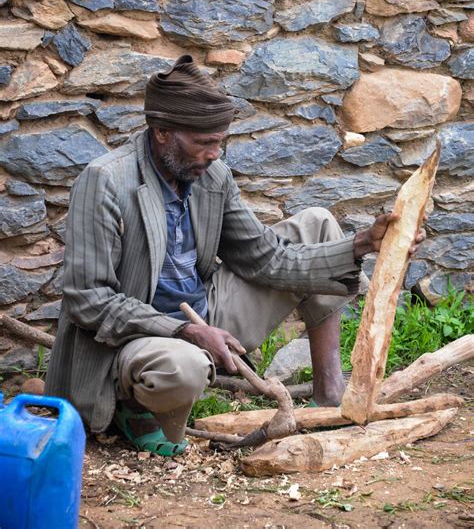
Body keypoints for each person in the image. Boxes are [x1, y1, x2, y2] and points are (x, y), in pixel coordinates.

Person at [45, 55, 425, 456]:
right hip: (137, 338)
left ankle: (329, 392)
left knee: (317, 224)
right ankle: (132, 406)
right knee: (184, 366)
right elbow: (88, 299)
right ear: (161, 131)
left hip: (204, 312)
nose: (214, 154)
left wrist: (363, 242)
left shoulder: (212, 175)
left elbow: (265, 258)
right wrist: (183, 331)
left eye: (220, 142)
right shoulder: (105, 181)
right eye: (204, 143)